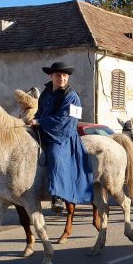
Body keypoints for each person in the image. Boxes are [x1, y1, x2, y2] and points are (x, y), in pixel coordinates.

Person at [28, 62, 94, 214]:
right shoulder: (46, 93)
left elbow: (67, 120)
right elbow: (40, 111)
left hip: (63, 135)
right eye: (58, 75)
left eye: (65, 76)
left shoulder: (72, 96)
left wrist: (40, 122)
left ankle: (57, 196)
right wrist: (34, 121)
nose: (62, 78)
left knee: (55, 155)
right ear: (51, 76)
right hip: (44, 128)